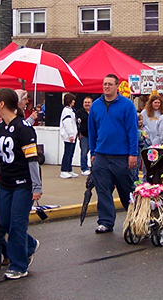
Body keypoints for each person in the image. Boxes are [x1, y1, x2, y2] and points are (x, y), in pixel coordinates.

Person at [0, 88, 42, 280]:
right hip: (5, 184)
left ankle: (19, 265)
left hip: (23, 184)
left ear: (2, 104)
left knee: (17, 225)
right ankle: (29, 244)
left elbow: (33, 160)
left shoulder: (24, 128)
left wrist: (36, 187)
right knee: (5, 222)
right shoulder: (1, 128)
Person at [88, 74, 138, 234]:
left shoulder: (127, 105)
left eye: (110, 84)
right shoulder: (96, 106)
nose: (106, 87)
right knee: (102, 190)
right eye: (104, 84)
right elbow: (92, 131)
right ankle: (105, 222)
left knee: (126, 190)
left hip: (122, 157)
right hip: (101, 156)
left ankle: (135, 217)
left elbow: (132, 131)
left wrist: (133, 153)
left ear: (117, 86)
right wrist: (93, 152)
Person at [60, 93, 78, 179]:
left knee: (71, 153)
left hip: (72, 136)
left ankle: (69, 169)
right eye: (73, 100)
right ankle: (64, 170)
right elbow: (67, 123)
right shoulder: (66, 111)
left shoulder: (70, 110)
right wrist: (71, 135)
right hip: (69, 136)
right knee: (67, 153)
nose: (74, 101)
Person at [75, 96, 92, 176]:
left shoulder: (94, 112)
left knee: (94, 153)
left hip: (94, 136)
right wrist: (79, 133)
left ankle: (94, 168)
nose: (87, 104)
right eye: (85, 102)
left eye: (88, 102)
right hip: (84, 136)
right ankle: (84, 168)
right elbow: (76, 124)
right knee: (84, 153)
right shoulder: (79, 113)